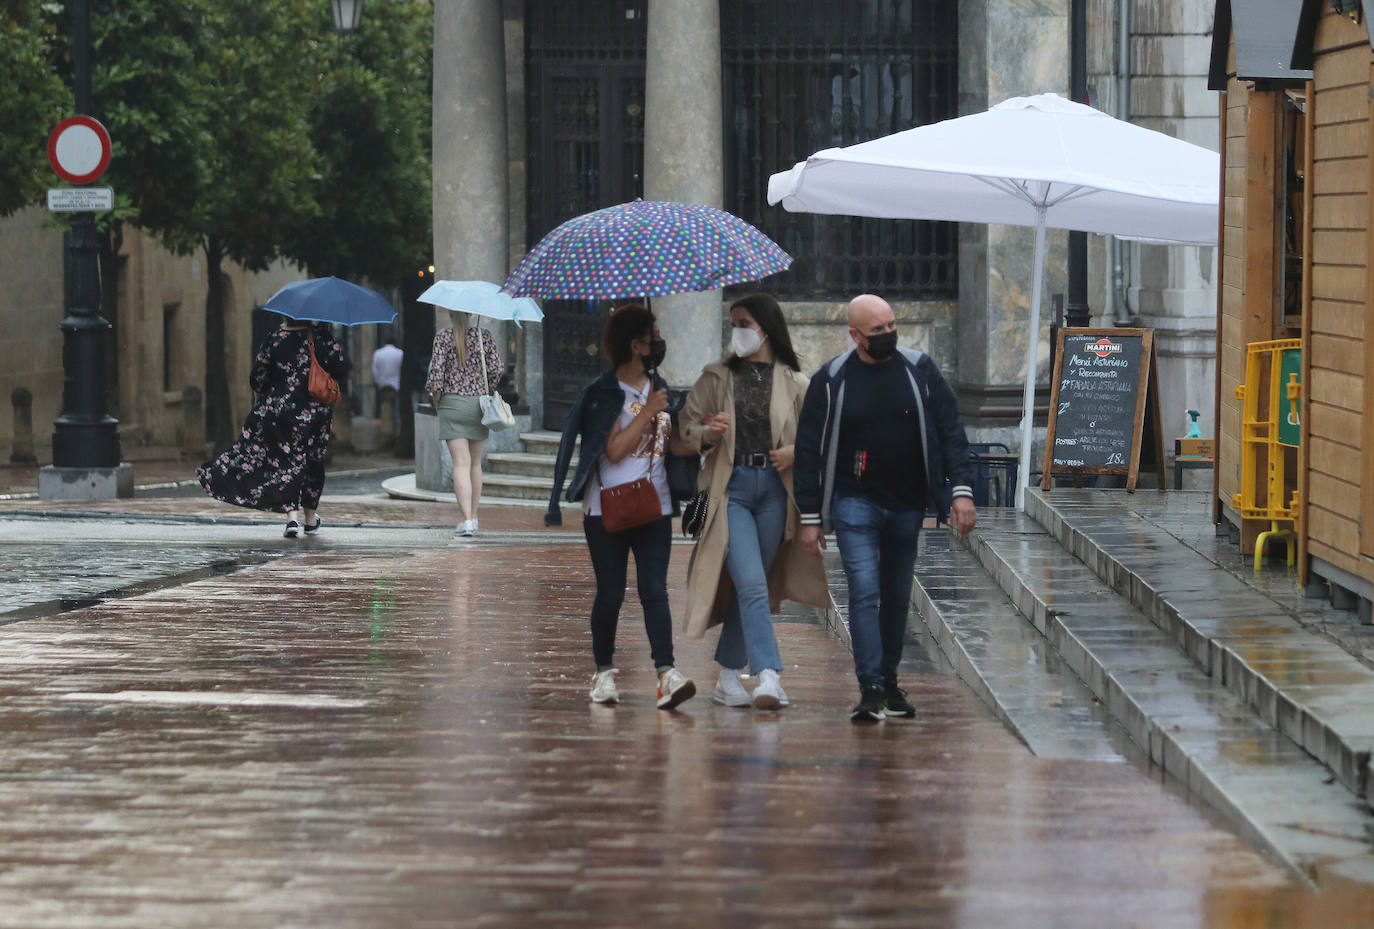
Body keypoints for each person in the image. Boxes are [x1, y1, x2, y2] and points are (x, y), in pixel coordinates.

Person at [794, 293, 977, 723]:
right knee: (864, 588)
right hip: (854, 501)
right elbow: (808, 450)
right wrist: (809, 516)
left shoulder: (920, 370)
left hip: (907, 501)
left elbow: (951, 430)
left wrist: (961, 490)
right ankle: (870, 685)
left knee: (896, 595)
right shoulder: (832, 378)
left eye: (891, 326)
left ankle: (890, 681)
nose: (888, 335)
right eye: (877, 331)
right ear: (855, 335)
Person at [679, 294, 832, 710]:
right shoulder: (716, 377)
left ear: (764, 327)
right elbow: (685, 429)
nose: (738, 331)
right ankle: (768, 675)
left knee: (754, 588)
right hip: (732, 488)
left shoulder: (796, 383)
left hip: (775, 493)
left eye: (744, 322)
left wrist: (794, 453)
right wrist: (709, 433)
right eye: (733, 323)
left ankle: (728, 677)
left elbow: (819, 440)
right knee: (750, 584)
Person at [545, 303, 696, 710]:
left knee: (654, 591)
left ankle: (667, 673)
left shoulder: (659, 386)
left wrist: (707, 435)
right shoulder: (604, 392)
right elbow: (611, 451)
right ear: (635, 345)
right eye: (654, 338)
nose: (660, 344)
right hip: (607, 508)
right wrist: (647, 412)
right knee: (610, 593)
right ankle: (604, 673)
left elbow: (672, 446)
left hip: (655, 504)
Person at [197, 316, 347, 538]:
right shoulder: (323, 338)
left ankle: (291, 519)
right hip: (315, 413)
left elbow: (257, 379)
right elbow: (341, 369)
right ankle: (309, 518)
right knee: (312, 462)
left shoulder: (274, 339)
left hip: (278, 411)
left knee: (288, 460)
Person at [425, 312, 503, 537]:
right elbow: (497, 369)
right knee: (475, 464)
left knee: (460, 464)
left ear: (450, 315)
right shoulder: (484, 336)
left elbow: (436, 374)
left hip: (451, 404)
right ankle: (474, 516)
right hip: (478, 404)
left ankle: (466, 519)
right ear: (471, 315)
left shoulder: (443, 337)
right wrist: (485, 386)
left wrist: (436, 397)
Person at [371, 337, 403, 418]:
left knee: (384, 405)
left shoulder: (378, 353)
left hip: (383, 383)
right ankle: (397, 420)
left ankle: (384, 421)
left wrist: (377, 381)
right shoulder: (400, 353)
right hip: (397, 383)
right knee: (397, 405)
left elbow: (374, 370)